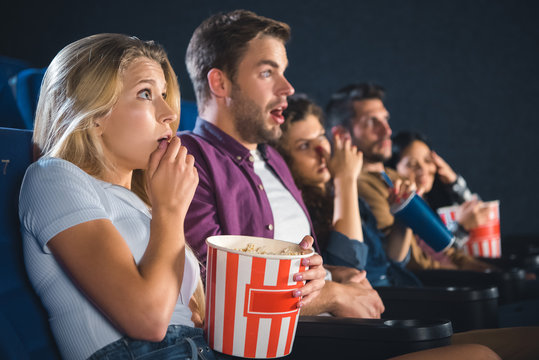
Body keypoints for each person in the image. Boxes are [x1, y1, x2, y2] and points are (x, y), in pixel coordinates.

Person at [19, 33, 226, 360]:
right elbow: (148, 321)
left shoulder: (146, 205)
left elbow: (185, 316)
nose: (169, 113)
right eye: (146, 94)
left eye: (163, 94)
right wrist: (171, 210)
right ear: (94, 114)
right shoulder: (53, 177)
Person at [181, 9, 383, 319]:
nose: (287, 87)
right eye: (267, 73)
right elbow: (217, 289)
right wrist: (333, 295)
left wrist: (329, 275)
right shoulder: (189, 158)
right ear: (220, 83)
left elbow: (297, 264)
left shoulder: (273, 157)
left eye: (283, 72)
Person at [325, 83, 490, 272]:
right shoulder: (357, 186)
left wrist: (490, 271)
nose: (386, 130)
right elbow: (414, 264)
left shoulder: (394, 176)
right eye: (371, 122)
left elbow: (449, 252)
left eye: (385, 119)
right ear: (341, 134)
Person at [274, 94, 420, 287]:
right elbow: (350, 271)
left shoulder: (340, 194)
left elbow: (389, 261)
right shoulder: (297, 211)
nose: (321, 150)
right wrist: (346, 179)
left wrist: (403, 216)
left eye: (320, 137)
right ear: (283, 159)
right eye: (304, 146)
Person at [387, 131, 494, 271]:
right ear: (394, 170)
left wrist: (453, 182)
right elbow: (430, 262)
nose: (423, 169)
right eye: (412, 164)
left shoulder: (430, 199)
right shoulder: (397, 208)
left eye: (427, 161)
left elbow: (478, 207)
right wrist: (461, 228)